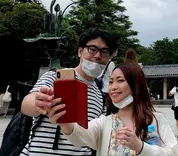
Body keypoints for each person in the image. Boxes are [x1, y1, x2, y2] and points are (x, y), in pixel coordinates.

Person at [20, 27, 119, 155]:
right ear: (80, 51)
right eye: (92, 49)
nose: (97, 55)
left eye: (104, 52)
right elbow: (26, 105)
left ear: (110, 57)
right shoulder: (55, 76)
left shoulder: (101, 96)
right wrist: (39, 102)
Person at [48, 63, 178, 155]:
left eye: (120, 80)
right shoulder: (104, 122)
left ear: (136, 85)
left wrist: (140, 147)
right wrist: (64, 121)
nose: (113, 87)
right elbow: (79, 135)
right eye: (110, 82)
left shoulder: (155, 119)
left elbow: (172, 153)